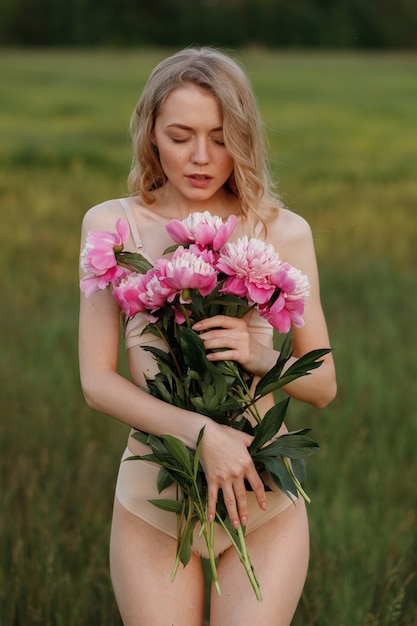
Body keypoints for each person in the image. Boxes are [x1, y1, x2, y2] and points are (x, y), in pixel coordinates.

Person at [78, 47, 336, 626]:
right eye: (180, 135)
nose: (200, 158)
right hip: (153, 500)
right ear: (150, 135)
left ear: (243, 137)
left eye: (221, 137)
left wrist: (260, 353)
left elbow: (323, 387)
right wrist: (202, 434)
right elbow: (96, 381)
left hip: (262, 504)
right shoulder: (111, 227)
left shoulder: (282, 231)